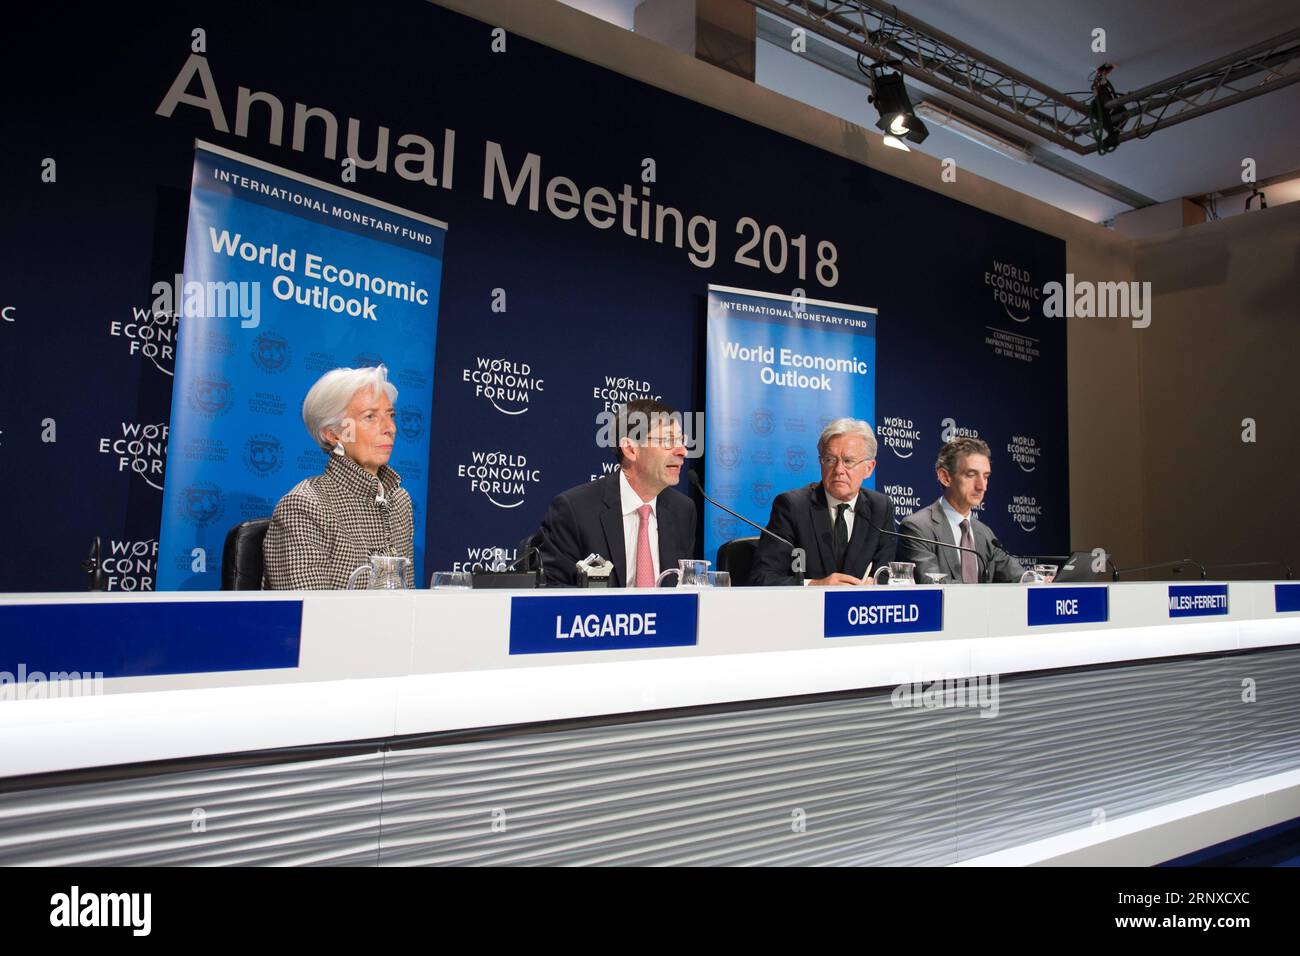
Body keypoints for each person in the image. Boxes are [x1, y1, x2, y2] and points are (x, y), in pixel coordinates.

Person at [263, 365, 415, 589]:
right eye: (370, 417)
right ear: (333, 434)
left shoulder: (400, 500)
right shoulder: (305, 505)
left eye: (390, 415)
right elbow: (310, 615)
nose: (389, 428)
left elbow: (407, 603)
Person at [537, 398, 697, 587]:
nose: (683, 451)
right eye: (669, 441)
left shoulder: (682, 510)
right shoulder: (575, 510)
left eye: (681, 440)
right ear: (630, 449)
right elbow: (552, 590)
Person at [750, 418, 896, 586]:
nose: (839, 470)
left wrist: (875, 583)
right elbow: (762, 577)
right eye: (830, 460)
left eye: (848, 461)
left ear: (869, 468)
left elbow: (887, 571)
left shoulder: (881, 507)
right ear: (821, 463)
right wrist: (815, 585)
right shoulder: (792, 506)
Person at [898, 437, 1024, 583]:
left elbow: (1017, 578)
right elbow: (933, 585)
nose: (982, 486)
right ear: (945, 477)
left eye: (986, 476)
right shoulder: (917, 528)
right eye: (971, 475)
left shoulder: (985, 534)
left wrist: (1038, 581)